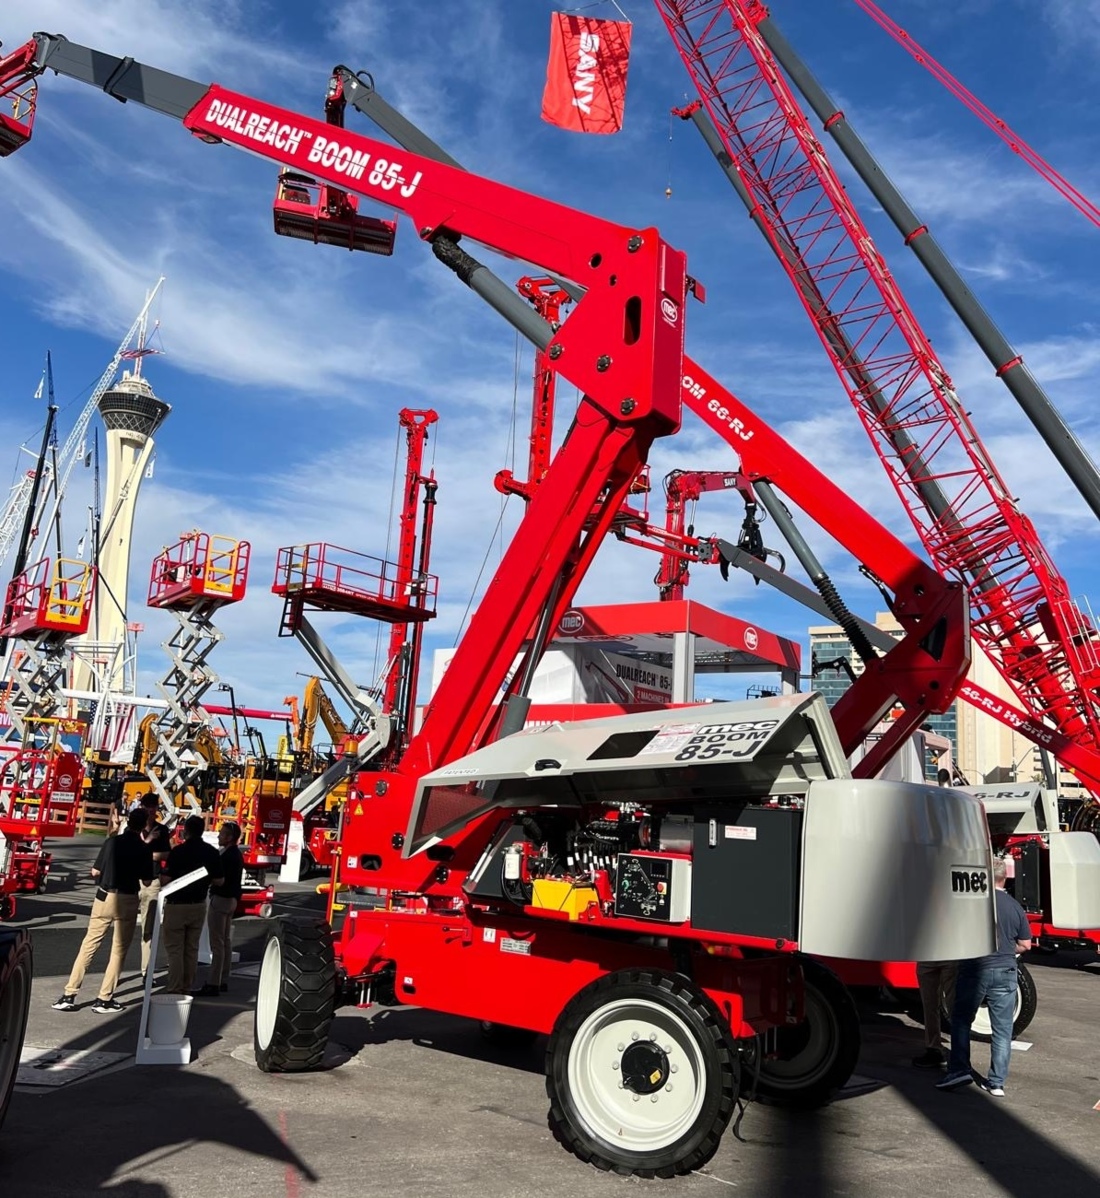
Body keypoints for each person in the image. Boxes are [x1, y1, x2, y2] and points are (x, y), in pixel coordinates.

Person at [937, 856, 1032, 1096]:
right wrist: (1006, 950)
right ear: (1005, 878)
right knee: (1003, 1030)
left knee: (961, 1021)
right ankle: (996, 1083)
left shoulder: (975, 904)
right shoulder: (1015, 907)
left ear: (986, 877)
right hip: (1006, 971)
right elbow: (1026, 944)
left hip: (975, 970)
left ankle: (959, 1070)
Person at [52, 808, 154, 1013]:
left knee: (89, 944)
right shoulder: (143, 849)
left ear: (127, 821)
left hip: (104, 895)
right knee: (118, 950)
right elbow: (147, 880)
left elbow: (95, 871)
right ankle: (104, 998)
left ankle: (69, 994)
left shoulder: (111, 842)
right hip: (126, 897)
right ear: (144, 826)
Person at [162, 815, 223, 995]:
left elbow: (165, 879)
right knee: (191, 948)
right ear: (202, 831)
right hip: (198, 904)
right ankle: (187, 986)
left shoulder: (178, 852)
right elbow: (219, 880)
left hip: (176, 904)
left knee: (175, 949)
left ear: (186, 831)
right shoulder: (211, 852)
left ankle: (175, 987)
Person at [193, 821, 244, 997]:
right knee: (225, 940)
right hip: (231, 899)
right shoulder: (236, 854)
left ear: (229, 837)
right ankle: (223, 978)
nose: (218, 836)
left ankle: (213, 982)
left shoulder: (226, 856)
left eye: (222, 833)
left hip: (221, 899)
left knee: (217, 943)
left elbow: (219, 879)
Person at [136, 792, 172, 981]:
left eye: (153, 806)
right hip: (132, 880)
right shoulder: (133, 827)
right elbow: (128, 851)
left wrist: (149, 855)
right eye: (147, 806)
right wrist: (148, 845)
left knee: (148, 929)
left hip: (152, 880)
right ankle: (114, 972)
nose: (150, 810)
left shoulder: (162, 830)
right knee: (122, 927)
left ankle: (146, 971)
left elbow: (167, 854)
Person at [911, 961, 958, 1068]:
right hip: (930, 959)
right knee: (930, 1005)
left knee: (952, 1008)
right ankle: (934, 1049)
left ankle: (958, 1055)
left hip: (947, 958)